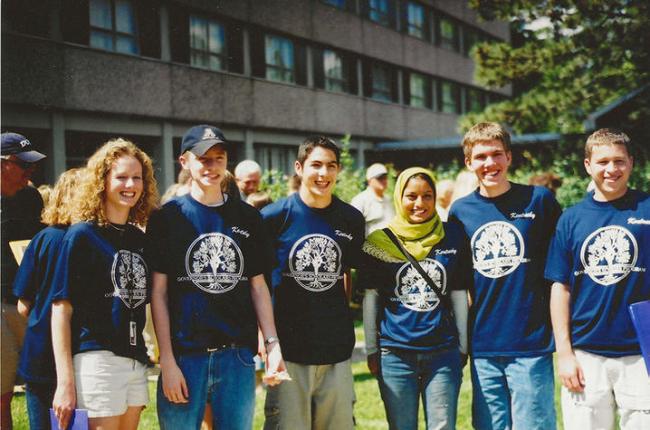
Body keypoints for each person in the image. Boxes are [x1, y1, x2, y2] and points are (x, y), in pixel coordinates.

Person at [147, 125, 285, 430]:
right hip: (184, 357)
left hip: (236, 357)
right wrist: (166, 359)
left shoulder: (248, 217)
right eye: (203, 159)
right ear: (184, 162)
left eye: (219, 158)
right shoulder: (166, 218)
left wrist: (272, 345)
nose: (212, 166)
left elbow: (258, 287)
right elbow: (158, 293)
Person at [448, 122, 561, 430]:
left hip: (531, 342)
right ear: (468, 162)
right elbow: (459, 282)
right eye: (481, 156)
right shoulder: (460, 211)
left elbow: (559, 270)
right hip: (484, 344)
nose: (490, 163)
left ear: (509, 157)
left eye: (497, 154)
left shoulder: (539, 200)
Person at [50, 138, 158, 430]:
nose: (130, 184)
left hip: (135, 359)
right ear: (102, 181)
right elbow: (60, 310)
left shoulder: (139, 240)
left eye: (137, 177)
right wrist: (65, 382)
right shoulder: (82, 236)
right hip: (97, 360)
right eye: (121, 177)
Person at [545, 128, 650, 430]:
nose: (611, 169)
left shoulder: (647, 208)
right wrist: (565, 353)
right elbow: (560, 287)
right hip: (586, 351)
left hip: (641, 351)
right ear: (588, 165)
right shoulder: (571, 219)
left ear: (631, 163)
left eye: (619, 161)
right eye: (603, 162)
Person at [261, 136, 365, 430]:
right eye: (316, 165)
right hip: (289, 352)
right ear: (299, 168)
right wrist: (266, 342)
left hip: (336, 351)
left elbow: (348, 274)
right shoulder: (273, 218)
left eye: (331, 166)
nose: (324, 173)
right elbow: (258, 284)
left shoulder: (351, 219)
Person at [360, 167, 469, 430]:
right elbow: (371, 299)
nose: (419, 203)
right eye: (411, 196)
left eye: (427, 196)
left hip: (443, 353)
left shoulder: (452, 236)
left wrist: (463, 346)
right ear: (399, 197)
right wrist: (372, 350)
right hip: (396, 355)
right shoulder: (379, 242)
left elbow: (458, 295)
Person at [12, 168, 82, 430]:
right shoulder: (88, 240)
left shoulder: (42, 239)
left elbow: (23, 305)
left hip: (39, 352)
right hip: (79, 350)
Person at [1, 131, 46, 429]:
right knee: (1, 394)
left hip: (28, 304)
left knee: (41, 385)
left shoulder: (31, 198)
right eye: (24, 165)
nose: (31, 171)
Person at [351, 163, 395, 236]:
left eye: (385, 177)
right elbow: (352, 228)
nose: (383, 180)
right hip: (369, 242)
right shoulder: (360, 200)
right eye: (379, 178)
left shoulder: (388, 199)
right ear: (369, 180)